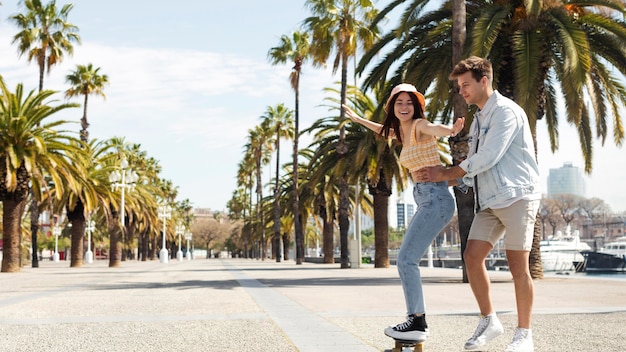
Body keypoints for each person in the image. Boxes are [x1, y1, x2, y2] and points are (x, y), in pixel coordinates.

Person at [416, 56, 541, 352]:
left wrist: (447, 173)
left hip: (517, 196)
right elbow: (474, 168)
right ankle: (490, 321)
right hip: (490, 200)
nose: (461, 91)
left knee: (517, 266)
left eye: (465, 84)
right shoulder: (480, 118)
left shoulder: (506, 112)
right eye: (459, 86)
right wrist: (439, 180)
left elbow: (488, 157)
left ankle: (524, 335)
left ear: (484, 81)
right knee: (472, 256)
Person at [343, 83, 464, 342]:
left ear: (417, 105)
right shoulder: (400, 131)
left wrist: (450, 130)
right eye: (399, 103)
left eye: (409, 102)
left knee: (406, 260)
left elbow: (434, 128)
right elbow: (382, 130)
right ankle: (416, 320)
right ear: (392, 108)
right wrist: (358, 119)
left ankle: (417, 322)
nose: (405, 107)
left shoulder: (419, 126)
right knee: (407, 260)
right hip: (428, 199)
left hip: (434, 200)